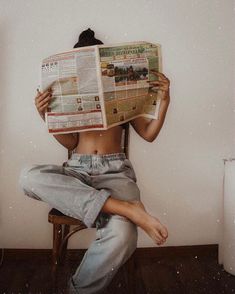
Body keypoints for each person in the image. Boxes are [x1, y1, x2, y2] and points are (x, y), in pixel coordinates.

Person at [19, 28, 170, 294]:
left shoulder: (122, 89)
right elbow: (71, 143)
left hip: (116, 175)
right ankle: (127, 209)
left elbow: (148, 134)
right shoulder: (71, 92)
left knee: (124, 236)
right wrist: (46, 115)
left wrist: (165, 100)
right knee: (28, 177)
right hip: (78, 172)